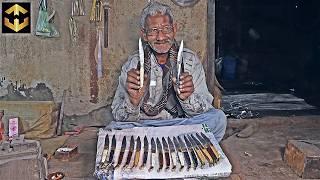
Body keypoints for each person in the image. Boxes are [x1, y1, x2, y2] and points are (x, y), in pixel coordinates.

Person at [109, 1, 226, 142]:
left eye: (166, 29)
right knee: (115, 127)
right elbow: (118, 114)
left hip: (180, 126)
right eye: (153, 31)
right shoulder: (133, 65)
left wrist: (187, 98)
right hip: (145, 126)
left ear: (174, 29)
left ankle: (155, 146)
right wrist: (133, 102)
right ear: (144, 34)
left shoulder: (190, 61)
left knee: (218, 119)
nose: (161, 37)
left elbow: (205, 110)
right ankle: (178, 145)